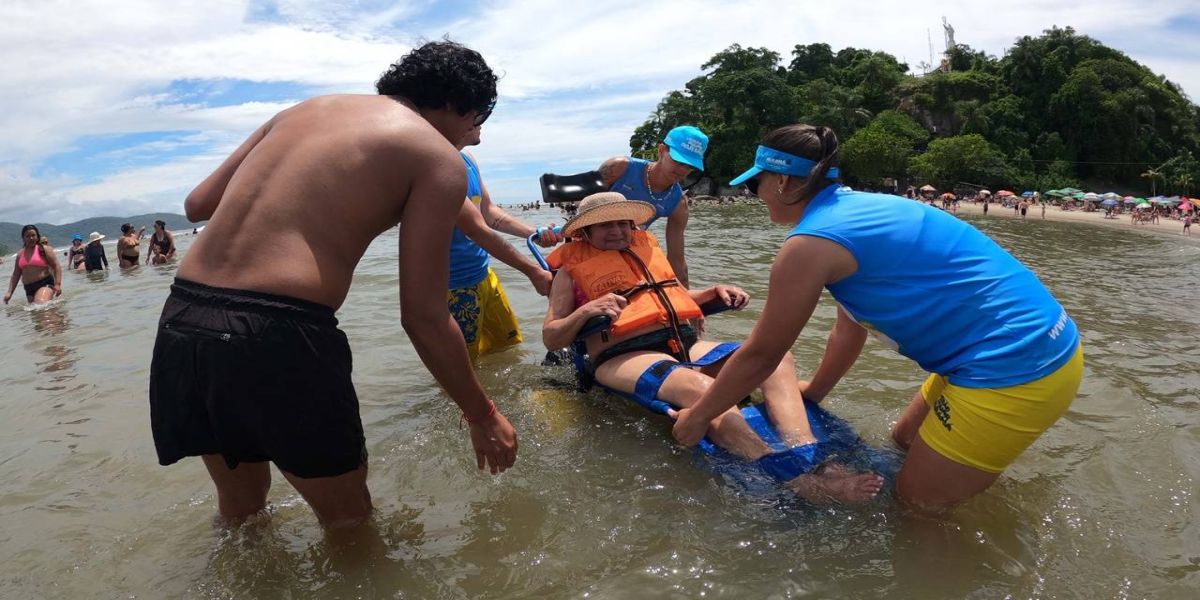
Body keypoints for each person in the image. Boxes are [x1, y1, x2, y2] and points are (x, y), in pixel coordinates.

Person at [148, 41, 517, 530]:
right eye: (478, 122)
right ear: (460, 104)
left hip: (183, 320)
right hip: (276, 333)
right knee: (349, 524)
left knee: (241, 512)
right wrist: (482, 413)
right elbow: (423, 316)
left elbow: (197, 205)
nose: (474, 139)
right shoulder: (436, 157)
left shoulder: (301, 111)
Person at [671, 124, 1083, 511]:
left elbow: (762, 354)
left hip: (1014, 370)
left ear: (781, 181)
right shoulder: (863, 210)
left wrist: (699, 416)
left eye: (755, 182)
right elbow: (849, 329)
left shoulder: (810, 244)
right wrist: (814, 390)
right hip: (1042, 341)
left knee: (917, 507)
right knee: (903, 442)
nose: (754, 193)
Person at [542, 192, 883, 503]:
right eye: (604, 225)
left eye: (622, 223)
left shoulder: (645, 253)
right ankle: (792, 477)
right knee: (704, 390)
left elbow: (673, 298)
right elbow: (552, 335)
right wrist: (586, 310)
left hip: (682, 345)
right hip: (623, 355)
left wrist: (713, 291)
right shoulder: (569, 274)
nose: (616, 231)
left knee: (776, 360)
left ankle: (808, 452)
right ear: (584, 232)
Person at [447, 124, 561, 359]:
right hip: (453, 287)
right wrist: (533, 271)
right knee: (462, 364)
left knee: (508, 348)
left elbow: (488, 213)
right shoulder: (438, 166)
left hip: (484, 275)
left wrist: (534, 232)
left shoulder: (467, 159)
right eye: (478, 113)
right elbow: (477, 230)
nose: (481, 123)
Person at [599, 125, 708, 286]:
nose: (682, 169)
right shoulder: (619, 167)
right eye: (678, 160)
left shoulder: (678, 203)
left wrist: (689, 302)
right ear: (662, 150)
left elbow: (677, 261)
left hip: (627, 251)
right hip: (591, 239)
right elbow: (581, 199)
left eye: (690, 166)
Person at [5, 225, 63, 305]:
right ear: (23, 238)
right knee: (36, 314)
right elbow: (16, 274)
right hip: (29, 289)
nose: (31, 238)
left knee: (41, 304)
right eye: (28, 236)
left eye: (33, 235)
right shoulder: (20, 254)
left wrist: (57, 284)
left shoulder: (45, 249)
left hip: (45, 283)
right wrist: (9, 293)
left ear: (37, 236)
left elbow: (56, 266)